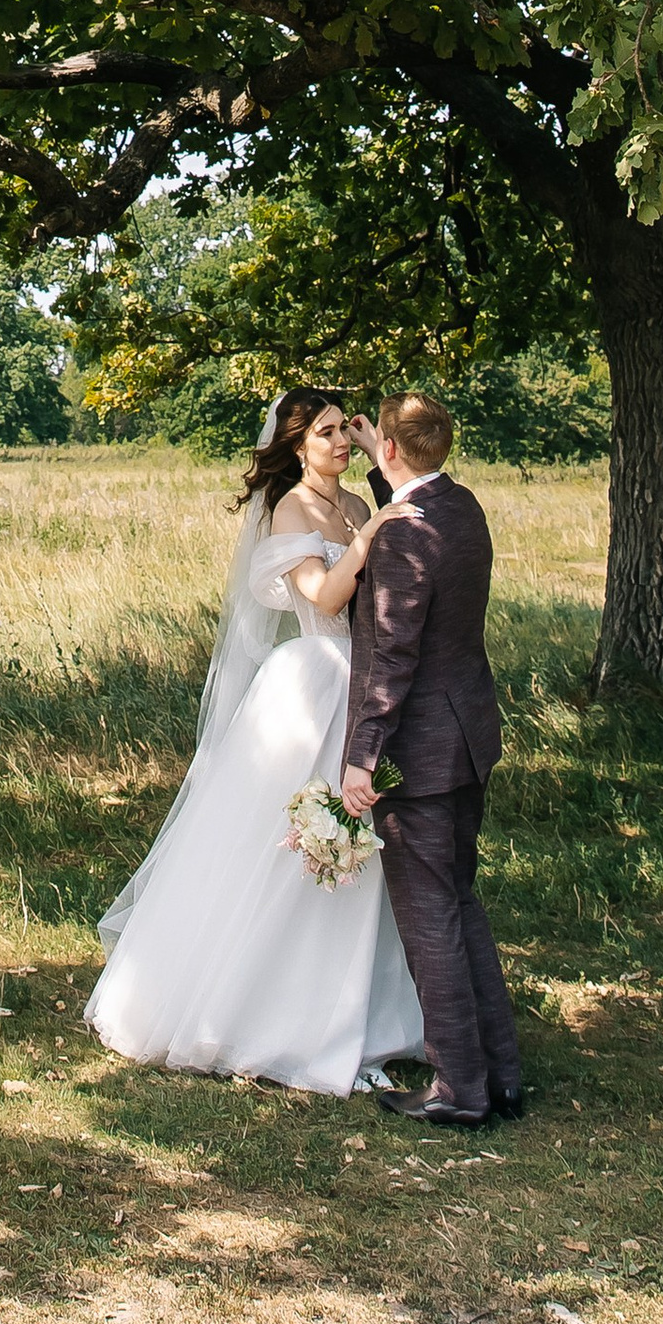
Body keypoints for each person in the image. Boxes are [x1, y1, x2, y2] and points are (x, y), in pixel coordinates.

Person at [87, 388, 424, 1092]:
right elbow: (326, 597)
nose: (337, 440)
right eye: (326, 432)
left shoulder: (357, 503)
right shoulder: (291, 508)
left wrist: (373, 462)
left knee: (355, 845)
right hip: (310, 680)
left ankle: (349, 1013)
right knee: (287, 843)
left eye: (344, 431)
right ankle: (253, 1012)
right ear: (297, 444)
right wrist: (364, 541)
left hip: (358, 686)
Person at [341, 388, 522, 1129]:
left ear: (388, 446)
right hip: (468, 736)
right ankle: (501, 1075)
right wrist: (381, 461)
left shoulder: (402, 535)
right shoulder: (462, 506)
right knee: (461, 903)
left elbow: (392, 655)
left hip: (418, 754)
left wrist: (361, 758)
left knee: (430, 919)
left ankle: (460, 1087)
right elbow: (413, 503)